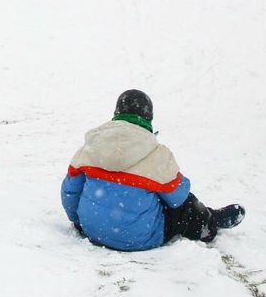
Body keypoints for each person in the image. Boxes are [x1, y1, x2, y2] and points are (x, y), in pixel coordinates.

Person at [61, 89, 243, 251]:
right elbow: (178, 197)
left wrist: (79, 221)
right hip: (139, 238)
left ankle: (103, 222)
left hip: (92, 229)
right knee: (187, 205)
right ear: (148, 118)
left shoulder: (91, 146)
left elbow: (70, 191)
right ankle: (209, 224)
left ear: (116, 113)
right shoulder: (157, 154)